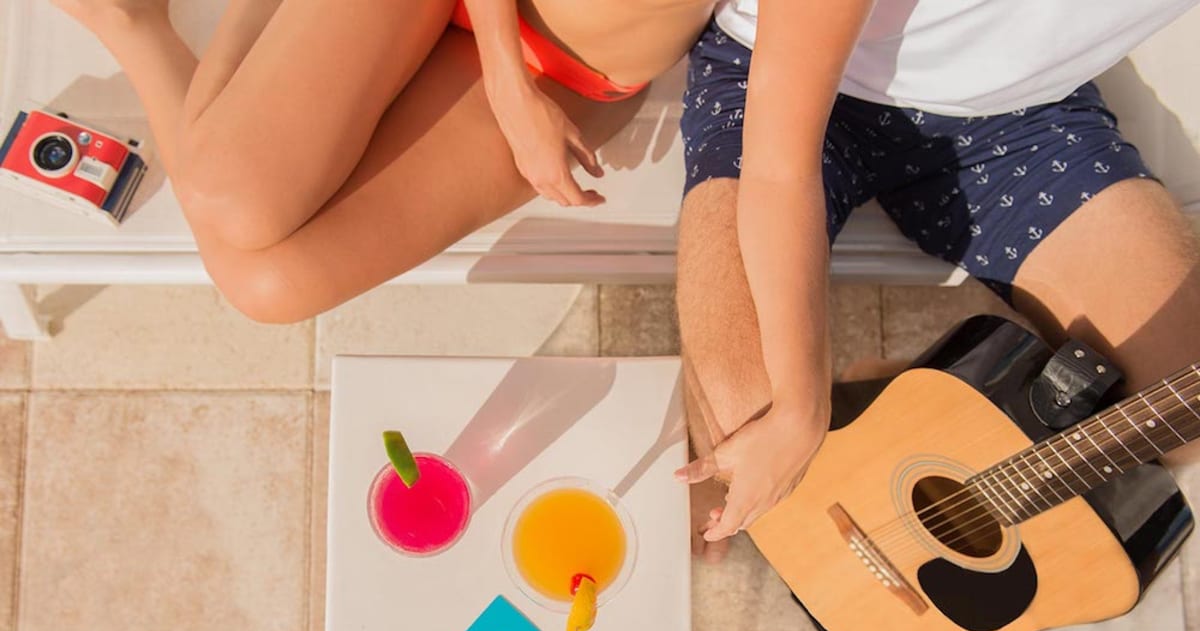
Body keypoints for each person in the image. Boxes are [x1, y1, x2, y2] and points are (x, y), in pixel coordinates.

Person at [674, 0, 1200, 561]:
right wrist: (801, 410)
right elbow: (780, 165)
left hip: (1018, 116)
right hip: (786, 78)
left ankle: (916, 390)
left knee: (1182, 421)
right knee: (747, 413)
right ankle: (908, 398)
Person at [51, 0, 714, 322]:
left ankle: (137, 27)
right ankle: (129, 23)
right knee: (233, 195)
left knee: (268, 288)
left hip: (576, 71)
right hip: (506, 62)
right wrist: (509, 93)